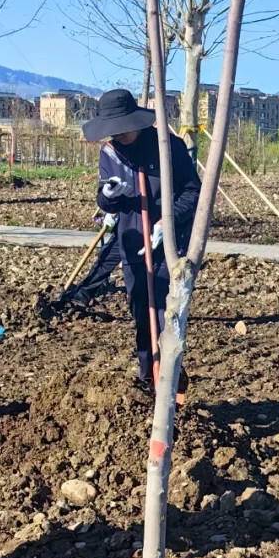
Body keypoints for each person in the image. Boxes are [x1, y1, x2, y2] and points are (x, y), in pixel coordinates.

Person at [84, 89, 200, 391]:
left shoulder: (167, 147)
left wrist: (168, 222)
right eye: (112, 131)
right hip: (134, 239)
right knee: (140, 309)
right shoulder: (110, 153)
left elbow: (192, 192)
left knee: (164, 311)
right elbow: (105, 199)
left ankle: (172, 379)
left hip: (169, 243)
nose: (118, 136)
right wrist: (108, 196)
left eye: (122, 129)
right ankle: (147, 376)